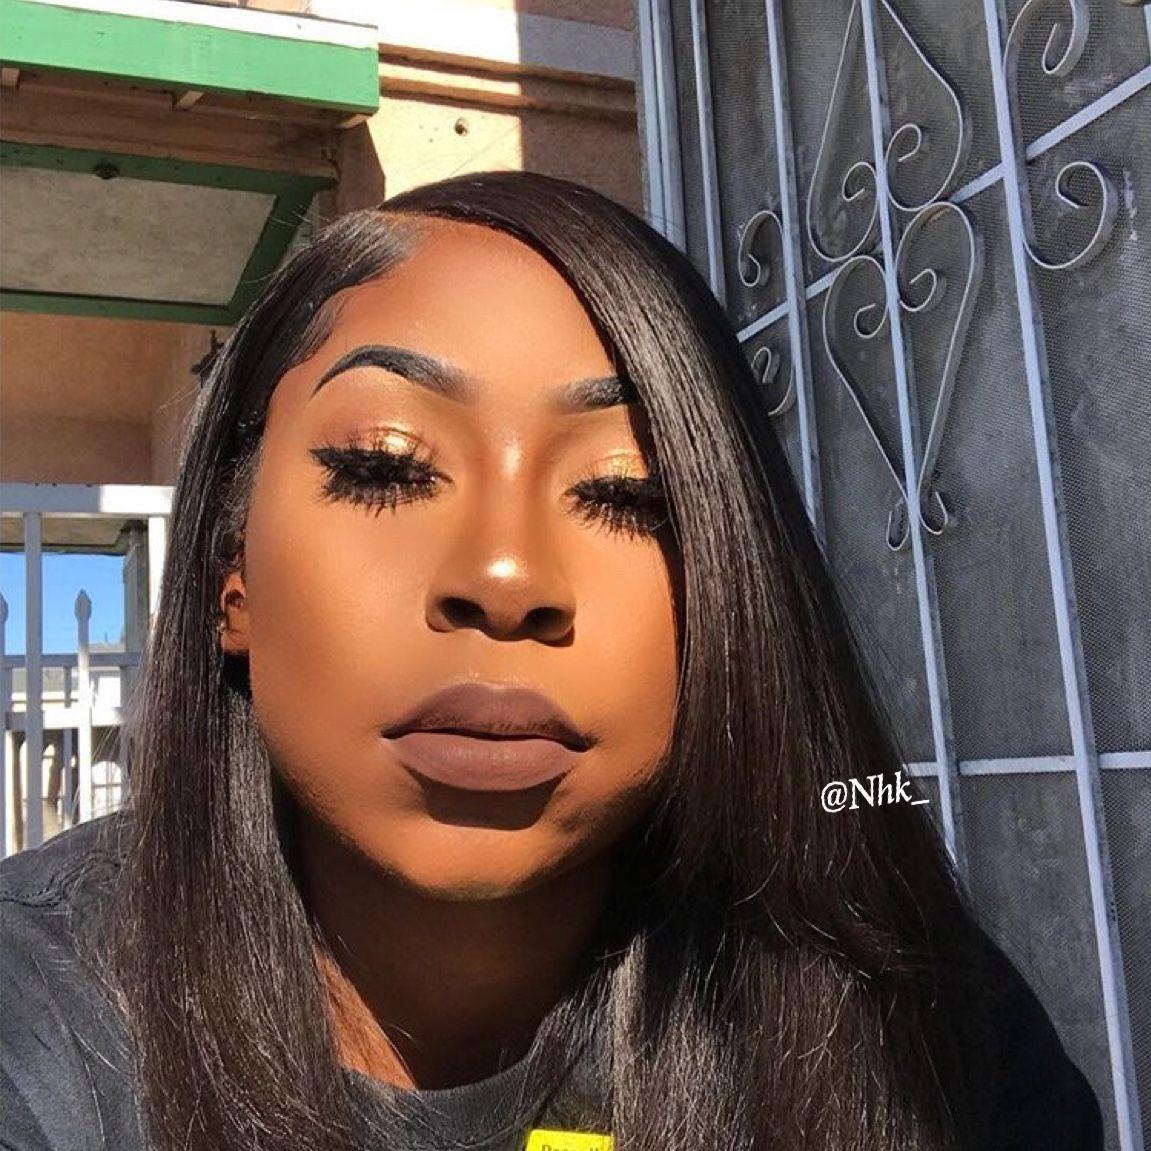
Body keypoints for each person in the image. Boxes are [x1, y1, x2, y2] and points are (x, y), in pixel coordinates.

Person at [0, 170, 1104, 1151]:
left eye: (627, 492)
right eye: (385, 467)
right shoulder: (36, 1019)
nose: (505, 573)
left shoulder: (918, 1038)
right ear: (230, 577)